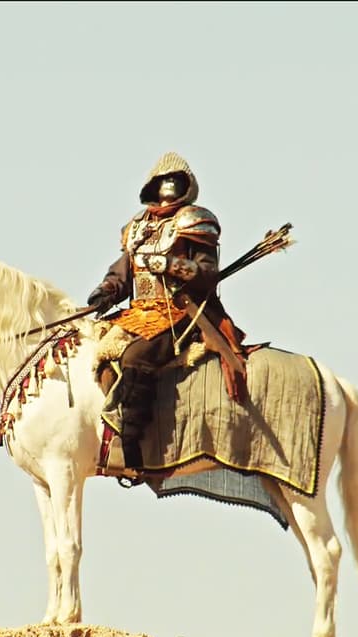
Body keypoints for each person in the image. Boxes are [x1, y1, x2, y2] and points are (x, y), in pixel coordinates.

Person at [86, 151, 248, 471]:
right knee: (98, 353)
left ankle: (133, 447)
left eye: (175, 181)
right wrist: (105, 292)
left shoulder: (194, 221)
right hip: (139, 312)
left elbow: (206, 273)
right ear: (153, 185)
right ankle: (111, 427)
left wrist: (171, 265)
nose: (169, 186)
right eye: (164, 181)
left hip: (182, 313)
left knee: (135, 357)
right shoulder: (137, 227)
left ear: (187, 187)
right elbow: (123, 272)